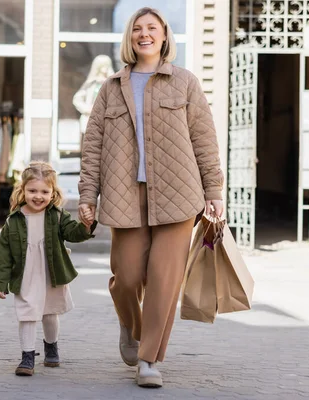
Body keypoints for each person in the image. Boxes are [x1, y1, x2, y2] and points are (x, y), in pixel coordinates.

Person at [78, 7, 225, 388]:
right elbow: (92, 145)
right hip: (125, 196)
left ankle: (149, 360)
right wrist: (87, 195)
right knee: (125, 277)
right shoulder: (110, 88)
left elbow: (204, 140)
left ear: (164, 36)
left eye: (152, 29)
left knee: (164, 281)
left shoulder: (185, 83)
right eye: (137, 29)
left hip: (178, 197)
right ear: (130, 38)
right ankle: (131, 325)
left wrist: (214, 191)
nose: (144, 34)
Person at [0, 161, 97, 376]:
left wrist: (86, 225)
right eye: (32, 191)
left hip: (51, 273)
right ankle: (27, 357)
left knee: (50, 313)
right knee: (27, 314)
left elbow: (74, 234)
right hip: (25, 275)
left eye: (44, 191)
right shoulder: (13, 221)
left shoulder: (58, 217)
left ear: (53, 193)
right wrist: (0, 281)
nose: (38, 196)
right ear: (23, 191)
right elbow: (4, 256)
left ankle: (51, 346)